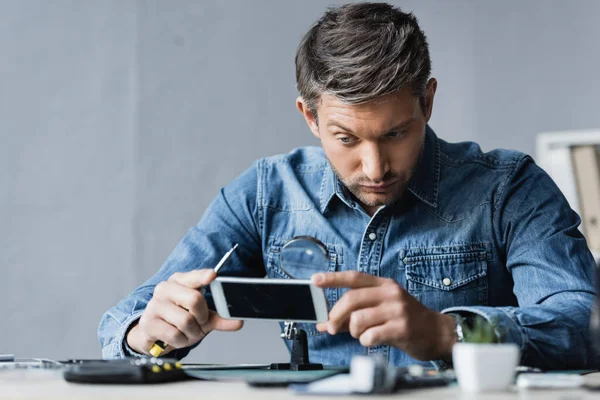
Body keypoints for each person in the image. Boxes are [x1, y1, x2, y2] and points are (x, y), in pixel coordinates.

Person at [98, 2, 599, 369]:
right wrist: (149, 334)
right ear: (310, 117)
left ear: (427, 103)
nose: (375, 166)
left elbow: (584, 324)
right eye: (346, 138)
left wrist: (449, 332)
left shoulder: (507, 189)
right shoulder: (266, 193)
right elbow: (125, 322)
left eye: (396, 134)